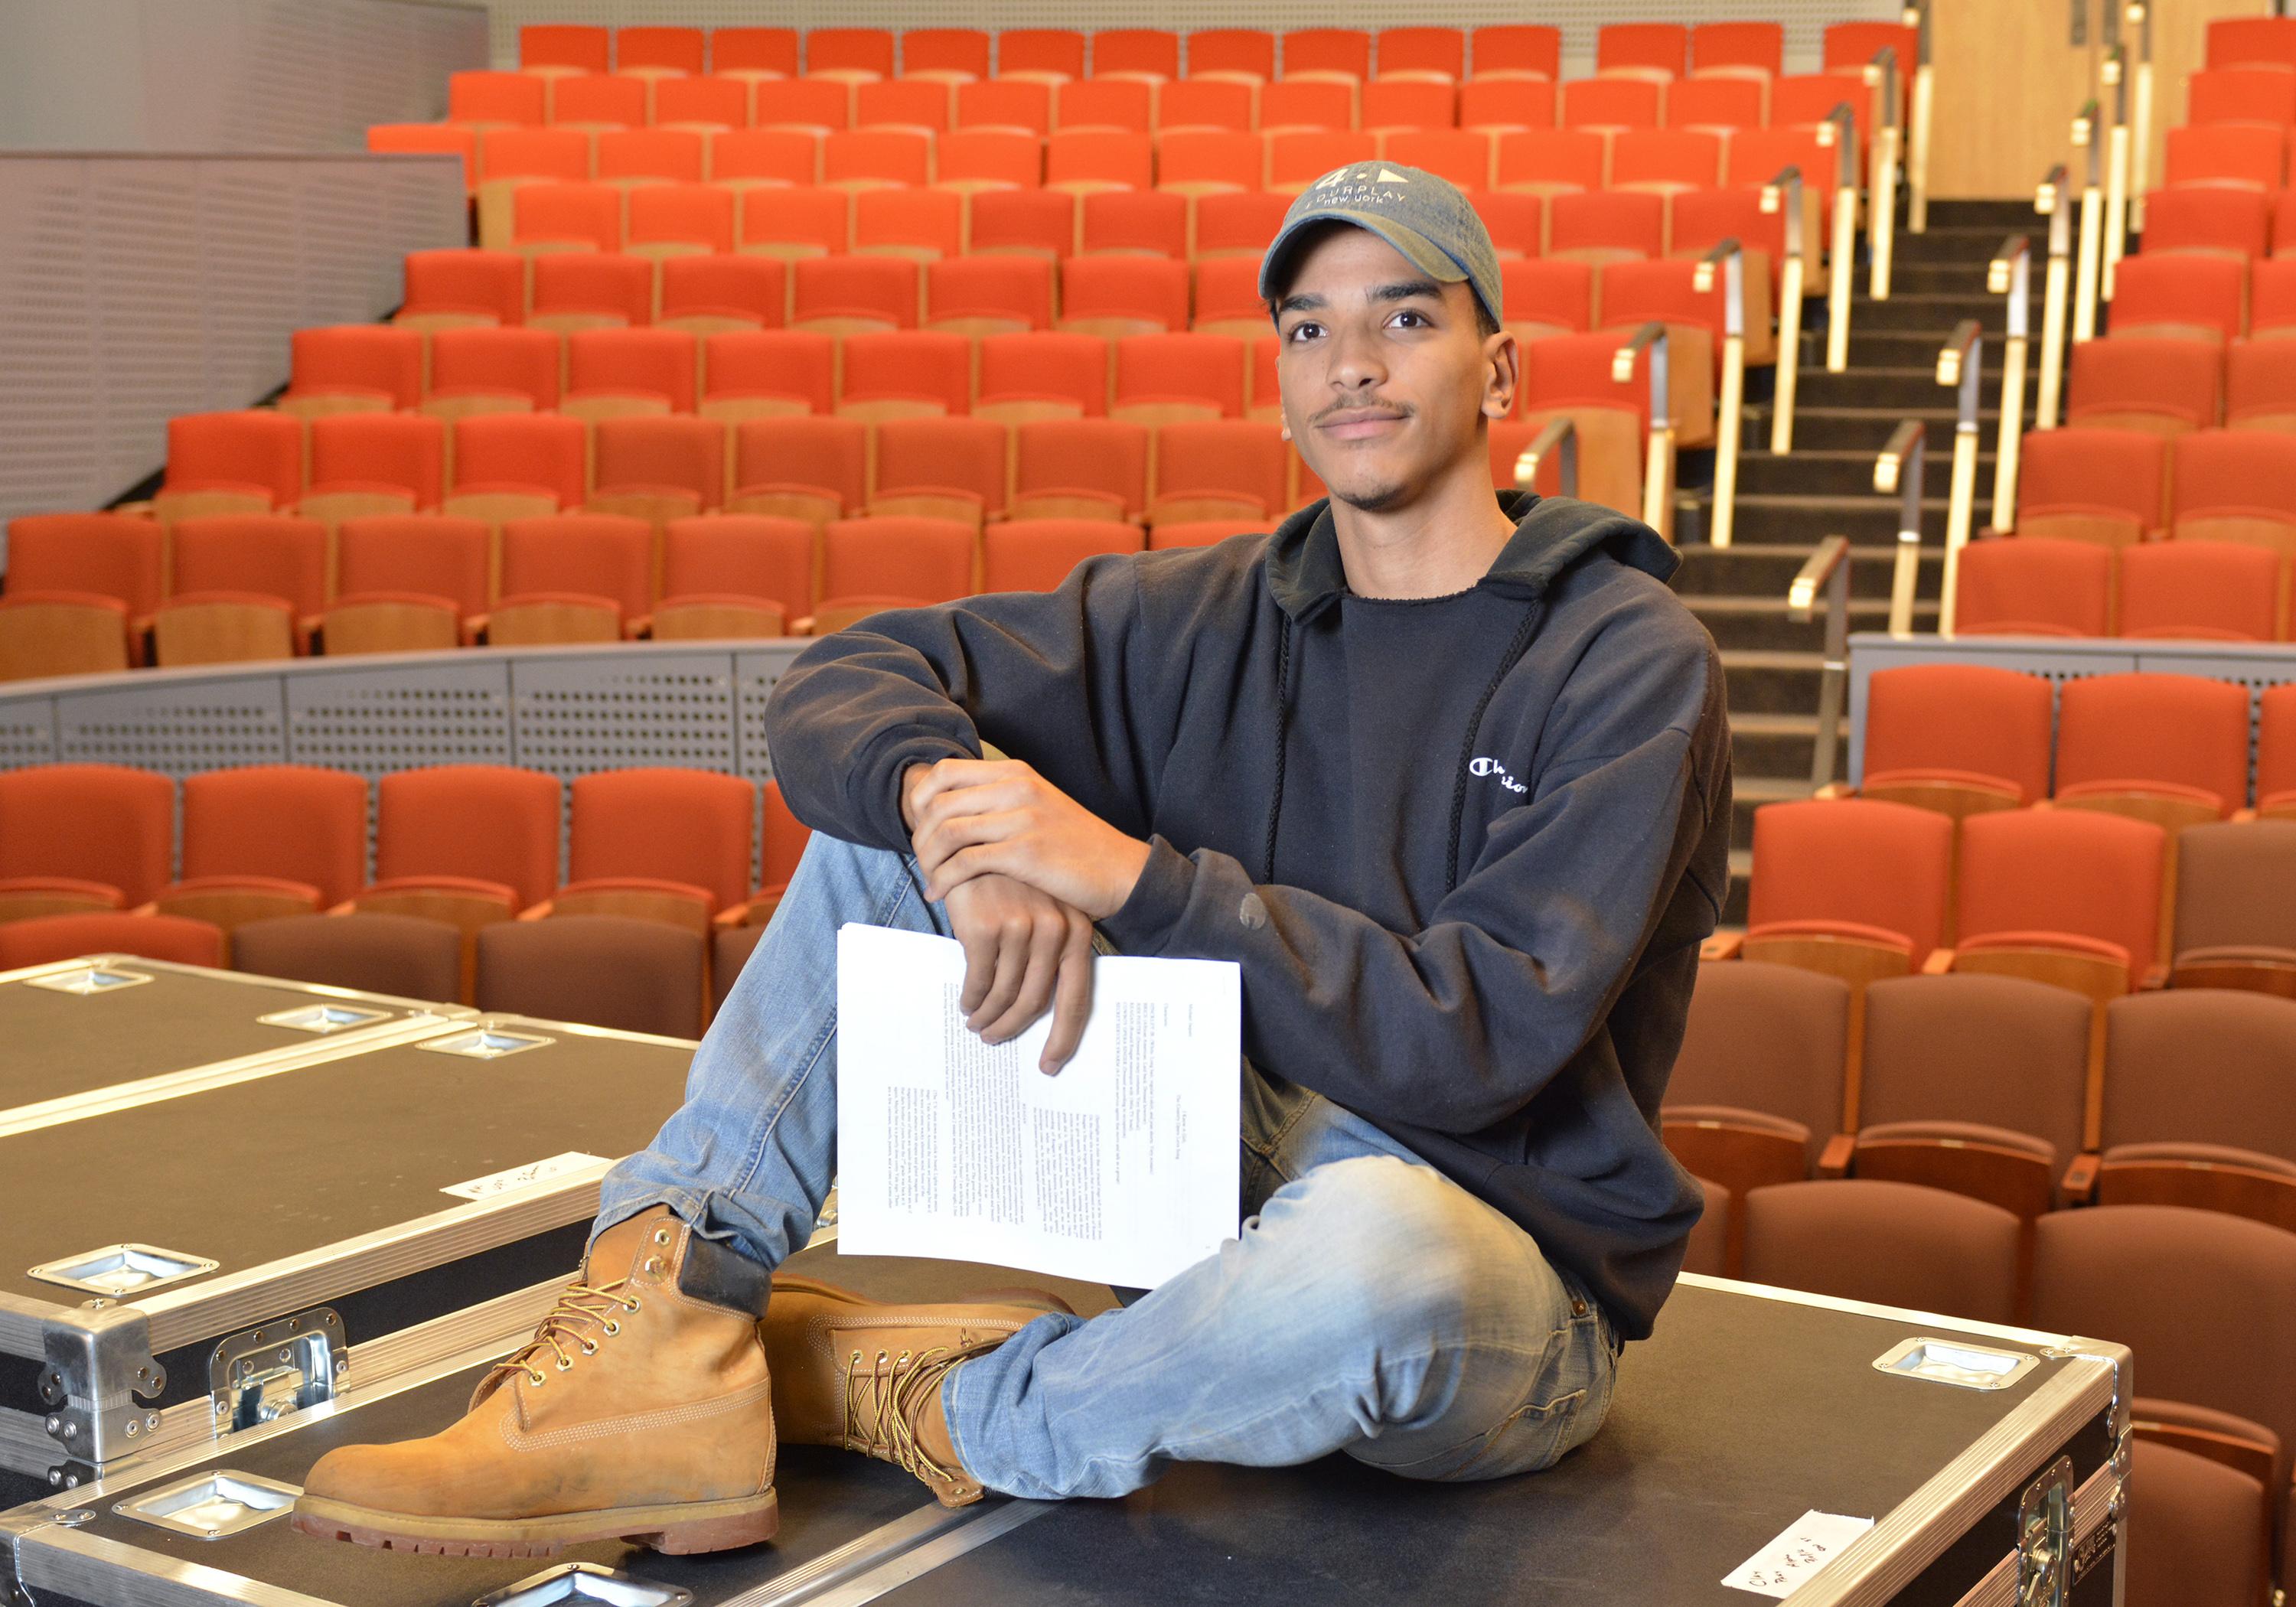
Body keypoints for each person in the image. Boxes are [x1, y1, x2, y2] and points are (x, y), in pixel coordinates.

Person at [292, 165, 1732, 1560]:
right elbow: (849, 678)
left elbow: (1479, 1042)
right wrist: (954, 820)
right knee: (907, 818)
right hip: (1211, 1178)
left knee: (1379, 1256)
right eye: (1310, 328)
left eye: (1406, 317)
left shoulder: (1620, 656)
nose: (1351, 361)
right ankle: (661, 1317)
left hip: (1479, 1271)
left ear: (1500, 370)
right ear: (1283, 376)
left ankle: (948, 1404)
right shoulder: (1209, 614)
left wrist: (1128, 878)